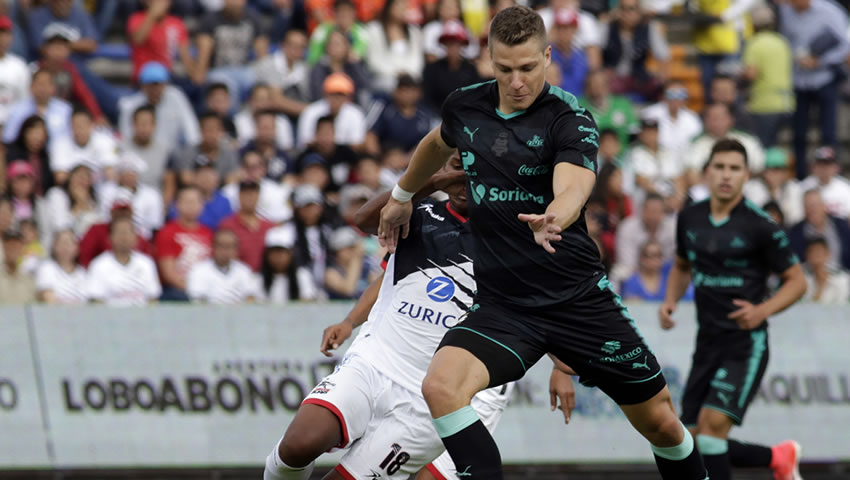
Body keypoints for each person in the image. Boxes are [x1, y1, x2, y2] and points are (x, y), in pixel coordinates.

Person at [377, 6, 708, 478]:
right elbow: (437, 142)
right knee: (441, 387)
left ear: (548, 56)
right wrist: (402, 194)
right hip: (504, 306)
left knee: (661, 423)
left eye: (528, 68)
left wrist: (556, 214)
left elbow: (575, 185)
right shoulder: (465, 106)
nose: (517, 81)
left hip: (577, 301)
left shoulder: (569, 118)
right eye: (505, 69)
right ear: (489, 60)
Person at [264, 153, 555, 480]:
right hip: (374, 363)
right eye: (457, 170)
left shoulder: (510, 240)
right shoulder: (416, 213)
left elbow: (541, 309)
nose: (464, 182)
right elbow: (368, 232)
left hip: (431, 398)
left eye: (475, 174)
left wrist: (559, 365)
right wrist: (349, 321)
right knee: (299, 444)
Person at [660, 139, 807, 480]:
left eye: (735, 168)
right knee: (692, 440)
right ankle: (778, 457)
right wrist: (670, 301)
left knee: (712, 430)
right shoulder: (690, 217)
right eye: (720, 167)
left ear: (746, 175)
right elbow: (682, 265)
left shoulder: (760, 225)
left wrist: (762, 311)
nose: (726, 175)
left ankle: (779, 457)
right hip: (707, 341)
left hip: (745, 343)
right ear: (707, 172)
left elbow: (798, 281)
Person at [780, 0, 849, 180]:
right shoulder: (786, 11)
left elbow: (845, 45)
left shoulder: (830, 11)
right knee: (799, 133)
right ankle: (800, 176)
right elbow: (785, 42)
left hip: (824, 79)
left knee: (828, 133)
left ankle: (832, 176)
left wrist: (821, 61)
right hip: (798, 80)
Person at [117, 62, 200, 155]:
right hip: (140, 154)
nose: (155, 90)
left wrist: (194, 152)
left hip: (171, 155)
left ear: (165, 84)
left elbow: (190, 127)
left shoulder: (176, 96)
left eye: (158, 85)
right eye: (151, 85)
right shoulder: (130, 105)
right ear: (143, 86)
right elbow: (126, 137)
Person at [741, 5, 793, 148]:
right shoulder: (782, 42)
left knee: (763, 147)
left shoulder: (755, 44)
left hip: (764, 104)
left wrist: (740, 74)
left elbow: (751, 74)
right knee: (775, 145)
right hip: (786, 103)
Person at [194, 0, 269, 98]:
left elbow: (261, 49)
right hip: (219, 70)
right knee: (226, 87)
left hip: (245, 69)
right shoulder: (210, 19)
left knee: (259, 84)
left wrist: (266, 75)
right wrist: (200, 71)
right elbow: (204, 49)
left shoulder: (253, 18)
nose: (235, 3)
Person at [36, 22, 106, 124]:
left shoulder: (69, 70)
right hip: (36, 115)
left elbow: (85, 95)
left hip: (60, 117)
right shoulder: (35, 69)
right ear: (45, 48)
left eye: (63, 47)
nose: (59, 51)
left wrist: (97, 116)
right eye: (55, 46)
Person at [601, 0, 669, 100]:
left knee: (658, 86)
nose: (626, 13)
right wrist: (602, 72)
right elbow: (596, 51)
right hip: (614, 78)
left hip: (639, 78)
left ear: (639, 12)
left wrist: (660, 76)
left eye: (631, 9)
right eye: (623, 9)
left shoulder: (649, 27)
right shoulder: (608, 26)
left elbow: (664, 55)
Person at [154, 186, 213, 301]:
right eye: (187, 202)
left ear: (202, 206)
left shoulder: (209, 233)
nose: (191, 206)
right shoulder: (167, 232)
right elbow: (169, 273)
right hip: (177, 290)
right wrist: (194, 290)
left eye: (195, 202)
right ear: (177, 205)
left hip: (205, 288)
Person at [86, 216, 161, 306]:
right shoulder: (99, 265)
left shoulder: (146, 264)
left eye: (127, 232)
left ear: (136, 237)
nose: (124, 237)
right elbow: (96, 301)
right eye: (120, 232)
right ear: (110, 237)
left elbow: (153, 299)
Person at [686, 103, 765, 187]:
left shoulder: (748, 139)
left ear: (731, 119)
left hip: (746, 186)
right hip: (708, 189)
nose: (717, 122)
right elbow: (692, 174)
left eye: (721, 118)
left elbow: (759, 168)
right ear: (705, 121)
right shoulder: (697, 143)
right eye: (712, 118)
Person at [127, 0, 197, 84]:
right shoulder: (136, 18)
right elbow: (137, 40)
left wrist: (195, 74)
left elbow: (186, 57)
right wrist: (152, 15)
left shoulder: (176, 23)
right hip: (143, 77)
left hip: (167, 78)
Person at [98, 152, 164, 240]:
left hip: (143, 240)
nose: (128, 177)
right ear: (119, 175)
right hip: (111, 237)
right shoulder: (106, 191)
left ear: (138, 175)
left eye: (132, 173)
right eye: (125, 173)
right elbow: (103, 219)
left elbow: (155, 225)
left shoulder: (152, 195)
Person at [364, 0, 425, 93]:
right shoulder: (374, 30)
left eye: (404, 5)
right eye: (398, 5)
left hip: (409, 82)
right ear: (389, 6)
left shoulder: (414, 32)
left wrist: (407, 74)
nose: (401, 8)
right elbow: (374, 61)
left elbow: (417, 60)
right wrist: (395, 73)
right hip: (385, 82)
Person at [186, 229, 260, 304]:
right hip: (208, 313)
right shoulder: (199, 270)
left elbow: (251, 297)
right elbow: (198, 300)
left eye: (230, 246)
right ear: (213, 247)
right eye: (221, 246)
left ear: (236, 249)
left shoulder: (244, 270)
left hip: (239, 313)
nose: (225, 250)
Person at [367, 74, 435, 155]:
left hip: (414, 161)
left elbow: (428, 142)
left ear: (419, 93)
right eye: (404, 90)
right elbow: (371, 136)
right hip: (384, 158)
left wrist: (407, 159)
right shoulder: (384, 108)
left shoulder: (425, 114)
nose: (408, 94)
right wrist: (380, 159)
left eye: (412, 90)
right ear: (396, 91)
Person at [296, 72, 367, 149]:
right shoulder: (311, 111)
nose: (336, 99)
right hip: (316, 155)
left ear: (348, 97)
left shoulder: (355, 114)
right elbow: (304, 142)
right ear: (325, 95)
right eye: (332, 94)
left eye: (341, 95)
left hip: (345, 157)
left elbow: (356, 145)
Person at [422, 20, 481, 111]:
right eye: (449, 43)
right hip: (438, 117)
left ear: (462, 45)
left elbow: (475, 98)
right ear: (444, 45)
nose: (453, 48)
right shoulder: (432, 69)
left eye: (456, 44)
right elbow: (427, 99)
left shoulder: (471, 70)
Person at [48, 107, 118, 185]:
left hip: (98, 187)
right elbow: (60, 178)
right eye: (76, 125)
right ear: (70, 127)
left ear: (92, 125)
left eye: (83, 124)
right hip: (71, 188)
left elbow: (111, 174)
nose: (80, 129)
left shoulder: (105, 140)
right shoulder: (59, 143)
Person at [2, 69, 71, 147]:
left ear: (54, 87)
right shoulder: (17, 110)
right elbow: (9, 139)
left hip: (58, 155)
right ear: (31, 86)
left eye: (47, 84)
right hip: (24, 155)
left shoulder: (65, 110)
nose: (43, 88)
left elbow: (70, 141)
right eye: (40, 84)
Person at [218, 180, 276, 271]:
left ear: (258, 196)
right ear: (239, 196)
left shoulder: (268, 226)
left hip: (264, 277)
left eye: (253, 194)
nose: (249, 197)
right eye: (246, 194)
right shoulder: (227, 225)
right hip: (236, 276)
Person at [222, 150, 293, 223]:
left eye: (254, 167)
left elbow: (283, 219)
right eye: (246, 166)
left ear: (263, 169)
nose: (250, 171)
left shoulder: (276, 191)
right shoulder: (228, 192)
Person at [788, 189, 850, 271]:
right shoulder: (795, 232)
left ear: (824, 206)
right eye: (807, 206)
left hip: (843, 277)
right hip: (810, 279)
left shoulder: (841, 225)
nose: (811, 210)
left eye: (814, 205)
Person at [42, 164, 101, 248]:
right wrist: (78, 207)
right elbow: (61, 228)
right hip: (57, 247)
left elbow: (95, 232)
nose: (82, 182)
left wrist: (84, 205)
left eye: (86, 178)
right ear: (70, 178)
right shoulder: (56, 194)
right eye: (79, 177)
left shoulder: (92, 204)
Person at [308, 29, 371, 105]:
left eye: (337, 44)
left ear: (346, 47)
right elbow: (317, 95)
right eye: (331, 44)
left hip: (351, 108)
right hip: (326, 108)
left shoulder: (352, 66)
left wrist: (353, 62)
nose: (333, 48)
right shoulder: (319, 68)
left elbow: (364, 86)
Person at [743, 148, 803, 226]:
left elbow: (797, 217)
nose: (775, 174)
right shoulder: (752, 187)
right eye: (771, 169)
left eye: (779, 170)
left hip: (787, 231)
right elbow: (753, 216)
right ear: (764, 172)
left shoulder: (794, 187)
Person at [578, 69, 638, 149]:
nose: (599, 89)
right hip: (594, 157)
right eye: (595, 85)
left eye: (602, 84)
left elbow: (634, 133)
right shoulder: (579, 107)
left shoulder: (623, 104)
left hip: (624, 156)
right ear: (587, 88)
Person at [259, 223, 318, 303]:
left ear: (291, 253)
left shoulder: (302, 275)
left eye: (282, 252)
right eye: (274, 252)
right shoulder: (258, 279)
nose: (278, 257)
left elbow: (308, 303)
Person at [167, 160, 233, 231]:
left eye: (209, 173)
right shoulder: (183, 197)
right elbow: (174, 221)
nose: (206, 177)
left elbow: (228, 227)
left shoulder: (224, 201)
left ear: (217, 177)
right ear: (193, 177)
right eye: (201, 173)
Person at [622, 240, 693, 302]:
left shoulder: (670, 277)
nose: (654, 260)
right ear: (641, 258)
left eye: (658, 256)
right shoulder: (632, 281)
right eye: (649, 256)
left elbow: (686, 299)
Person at [234, 84, 296, 152]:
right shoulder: (239, 120)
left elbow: (287, 148)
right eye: (259, 99)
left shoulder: (282, 121)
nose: (263, 104)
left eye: (267, 99)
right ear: (250, 101)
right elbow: (239, 146)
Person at [122, 104, 170, 191]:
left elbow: (169, 184)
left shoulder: (165, 151)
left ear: (154, 126)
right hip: (125, 198)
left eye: (147, 123)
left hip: (154, 200)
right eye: (140, 123)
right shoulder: (120, 148)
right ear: (133, 125)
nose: (144, 128)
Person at [324, 226, 379, 299]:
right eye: (349, 248)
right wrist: (356, 260)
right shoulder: (331, 273)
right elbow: (349, 290)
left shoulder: (365, 268)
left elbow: (378, 289)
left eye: (354, 247)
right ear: (337, 251)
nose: (353, 251)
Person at [307, 0, 369, 64]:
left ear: (354, 13)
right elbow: (313, 57)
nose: (344, 14)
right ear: (334, 13)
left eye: (348, 11)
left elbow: (356, 55)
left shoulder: (360, 32)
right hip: (326, 68)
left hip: (351, 68)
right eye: (340, 11)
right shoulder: (323, 29)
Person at [4, 115, 54, 195]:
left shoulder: (45, 157)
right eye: (35, 133)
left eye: (42, 134)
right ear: (24, 132)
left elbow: (48, 183)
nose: (38, 138)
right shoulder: (12, 153)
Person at [35, 229, 87, 304]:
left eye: (69, 243)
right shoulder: (47, 268)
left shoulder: (83, 273)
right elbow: (48, 299)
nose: (65, 247)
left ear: (77, 247)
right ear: (54, 246)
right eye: (62, 242)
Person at [799, 146, 850, 220]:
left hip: (840, 229)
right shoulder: (803, 187)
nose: (824, 168)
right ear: (813, 167)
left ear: (836, 167)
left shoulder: (846, 187)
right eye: (820, 164)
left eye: (828, 164)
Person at [0, 15, 31, 131]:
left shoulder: (19, 66)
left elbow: (24, 101)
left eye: (7, 34)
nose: (3, 39)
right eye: (1, 34)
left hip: (13, 125)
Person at [548, 8, 588, 97]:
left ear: (575, 29)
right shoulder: (547, 54)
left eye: (567, 28)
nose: (563, 32)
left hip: (580, 104)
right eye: (559, 28)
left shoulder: (581, 55)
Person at [802, 236, 850, 304]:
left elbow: (842, 304)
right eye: (811, 251)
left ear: (827, 254)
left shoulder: (842, 278)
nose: (815, 255)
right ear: (806, 254)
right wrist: (820, 286)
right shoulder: (801, 277)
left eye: (818, 251)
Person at [0, 229, 36, 304]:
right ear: (4, 247)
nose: (13, 249)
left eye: (16, 245)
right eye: (9, 245)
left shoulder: (29, 280)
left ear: (22, 249)